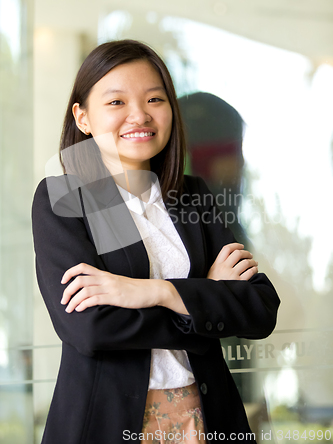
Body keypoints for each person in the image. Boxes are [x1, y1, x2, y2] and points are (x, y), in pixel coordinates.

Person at [31, 39, 280, 444]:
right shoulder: (66, 196)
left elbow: (260, 309)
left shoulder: (193, 195)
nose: (139, 115)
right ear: (83, 117)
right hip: (111, 423)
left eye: (154, 99)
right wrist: (205, 297)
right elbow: (90, 329)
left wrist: (151, 292)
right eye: (116, 102)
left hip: (208, 419)